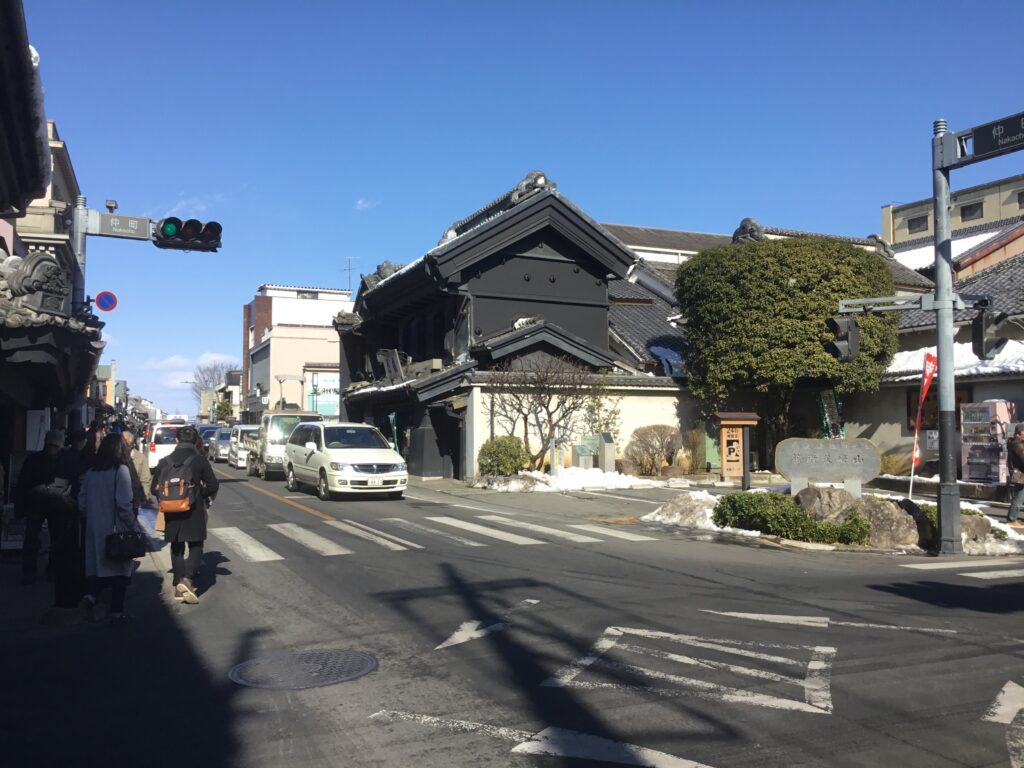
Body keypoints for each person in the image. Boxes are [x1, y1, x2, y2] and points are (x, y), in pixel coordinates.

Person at [151, 425, 218, 604]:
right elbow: (213, 485)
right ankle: (187, 579)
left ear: (177, 440)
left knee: (176, 546)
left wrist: (168, 499)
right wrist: (198, 495)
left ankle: (177, 584)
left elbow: (153, 488)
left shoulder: (164, 461)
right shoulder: (199, 460)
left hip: (171, 510)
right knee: (196, 545)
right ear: (196, 441)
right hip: (193, 509)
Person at [79, 433, 141, 623]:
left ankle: (90, 599)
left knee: (96, 569)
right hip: (116, 531)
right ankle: (116, 611)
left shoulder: (91, 472)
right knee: (119, 572)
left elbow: (81, 502)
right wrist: (133, 525)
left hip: (93, 529)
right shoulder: (120, 471)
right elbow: (124, 504)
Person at [15, 429, 74, 585]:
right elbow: (24, 484)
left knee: (56, 539)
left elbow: (75, 480)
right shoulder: (34, 460)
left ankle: (51, 570)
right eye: (50, 445)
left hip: (57, 505)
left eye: (55, 445)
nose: (52, 448)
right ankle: (31, 572)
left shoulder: (67, 459)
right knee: (32, 539)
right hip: (38, 503)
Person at [121, 430, 151, 515]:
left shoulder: (140, 457)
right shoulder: (116, 456)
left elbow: (145, 478)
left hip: (134, 498)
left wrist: (145, 496)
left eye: (125, 440)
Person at [1007, 424, 1024, 527]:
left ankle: (1012, 518)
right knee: (1018, 496)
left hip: (1020, 472)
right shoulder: (1018, 444)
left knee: (1019, 496)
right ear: (1020, 432)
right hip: (1020, 474)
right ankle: (1011, 519)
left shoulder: (1018, 443)